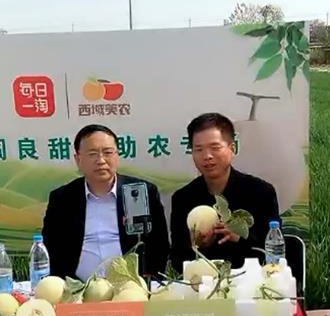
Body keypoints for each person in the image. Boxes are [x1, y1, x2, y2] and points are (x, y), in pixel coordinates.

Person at [42, 124, 170, 280]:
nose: (101, 160)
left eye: (108, 152)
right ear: (78, 159)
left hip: (131, 286)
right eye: (92, 154)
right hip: (77, 286)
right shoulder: (62, 198)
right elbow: (52, 248)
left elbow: (159, 245)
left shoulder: (141, 192)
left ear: (117, 155)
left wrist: (145, 282)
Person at [170, 111, 279, 272]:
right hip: (202, 284)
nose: (207, 156)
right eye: (199, 149)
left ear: (232, 149)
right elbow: (177, 262)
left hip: (251, 282)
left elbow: (273, 254)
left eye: (215, 148)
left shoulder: (261, 192)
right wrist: (198, 246)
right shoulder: (183, 198)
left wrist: (238, 238)